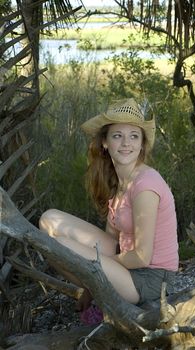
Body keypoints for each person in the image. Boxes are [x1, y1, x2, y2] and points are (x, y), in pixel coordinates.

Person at [39, 98, 179, 319]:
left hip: (149, 278)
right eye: (117, 136)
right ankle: (97, 289)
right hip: (126, 260)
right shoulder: (120, 180)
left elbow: (142, 257)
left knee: (57, 247)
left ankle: (101, 294)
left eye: (134, 136)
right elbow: (111, 238)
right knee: (49, 219)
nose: (126, 143)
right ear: (104, 142)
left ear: (142, 143)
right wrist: (95, 271)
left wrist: (93, 267)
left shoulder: (146, 186)